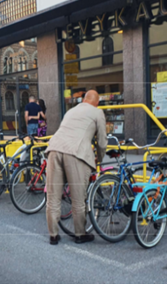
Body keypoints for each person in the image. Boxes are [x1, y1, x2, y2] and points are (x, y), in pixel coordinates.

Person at [45, 90, 107, 245]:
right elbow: (101, 142)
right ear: (97, 102)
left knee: (53, 197)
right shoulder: (97, 112)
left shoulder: (71, 111)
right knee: (79, 198)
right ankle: (80, 234)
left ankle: (53, 235)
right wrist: (98, 159)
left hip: (54, 149)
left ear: (84, 99)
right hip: (76, 153)